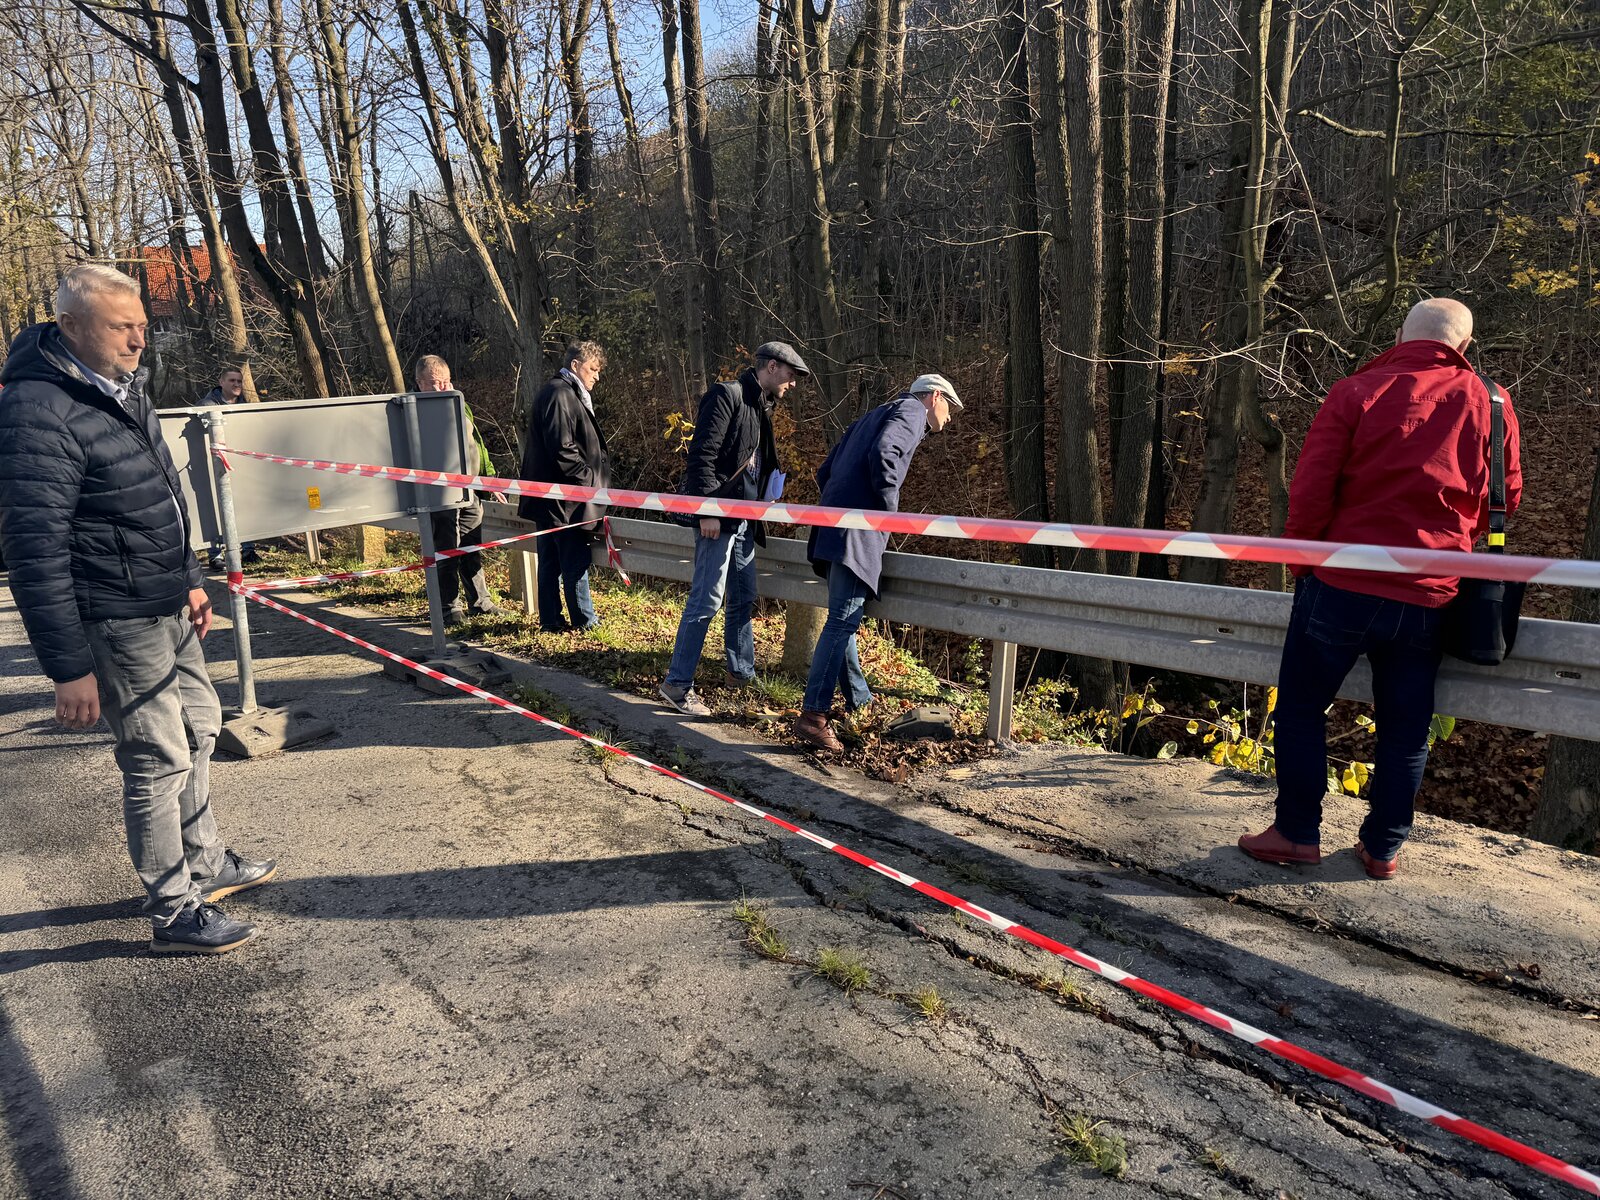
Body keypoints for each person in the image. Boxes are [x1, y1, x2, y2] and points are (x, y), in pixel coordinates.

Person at [0, 264, 276, 954]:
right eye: (122, 327)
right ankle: (174, 911)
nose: (138, 340)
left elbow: (161, 492)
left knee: (202, 727)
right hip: (115, 616)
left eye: (143, 326)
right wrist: (68, 668)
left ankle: (204, 863)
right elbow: (34, 548)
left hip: (166, 603)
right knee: (157, 756)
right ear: (70, 326)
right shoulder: (37, 409)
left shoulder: (123, 386)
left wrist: (189, 578)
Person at [1238, 297, 1521, 880]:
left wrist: (1303, 564)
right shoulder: (1492, 403)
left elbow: (1311, 490)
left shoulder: (1356, 392)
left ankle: (1296, 833)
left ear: (1400, 337)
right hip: (1431, 592)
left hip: (1342, 583)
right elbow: (1506, 497)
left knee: (1300, 709)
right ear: (1464, 347)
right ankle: (1383, 848)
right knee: (1406, 728)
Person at [794, 374, 962, 751]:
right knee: (842, 622)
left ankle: (860, 701)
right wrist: (887, 514)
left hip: (832, 527)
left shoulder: (872, 415)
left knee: (842, 620)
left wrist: (843, 503)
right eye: (949, 407)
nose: (949, 417)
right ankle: (813, 716)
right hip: (857, 535)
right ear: (935, 397)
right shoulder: (911, 411)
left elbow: (825, 471)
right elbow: (885, 453)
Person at [657, 342, 807, 716]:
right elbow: (702, 457)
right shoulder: (728, 395)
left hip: (744, 520)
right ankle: (677, 685)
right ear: (772, 367)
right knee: (706, 599)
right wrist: (706, 512)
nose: (792, 384)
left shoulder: (761, 405)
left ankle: (741, 674)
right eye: (790, 375)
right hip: (718, 518)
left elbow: (753, 463)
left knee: (743, 596)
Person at [518, 341, 611, 631]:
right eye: (593, 369)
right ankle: (584, 621)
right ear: (575, 365)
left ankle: (551, 620)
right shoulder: (561, 394)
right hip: (564, 498)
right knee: (574, 560)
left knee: (550, 561)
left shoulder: (559, 392)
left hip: (552, 497)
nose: (597, 376)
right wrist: (589, 481)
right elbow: (562, 448)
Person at [414, 354, 503, 623]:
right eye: (435, 383)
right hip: (440, 493)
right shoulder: (413, 412)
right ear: (419, 383)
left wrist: (489, 478)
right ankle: (449, 607)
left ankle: (480, 602)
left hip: (470, 489)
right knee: (447, 549)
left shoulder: (459, 403)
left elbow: (476, 444)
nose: (442, 387)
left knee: (471, 547)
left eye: (446, 381)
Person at [200, 367, 257, 567]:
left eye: (239, 381)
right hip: (213, 465)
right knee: (213, 507)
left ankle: (248, 550)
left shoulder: (245, 407)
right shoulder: (206, 406)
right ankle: (215, 555)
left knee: (245, 505)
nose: (236, 384)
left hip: (239, 464)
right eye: (232, 380)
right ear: (221, 382)